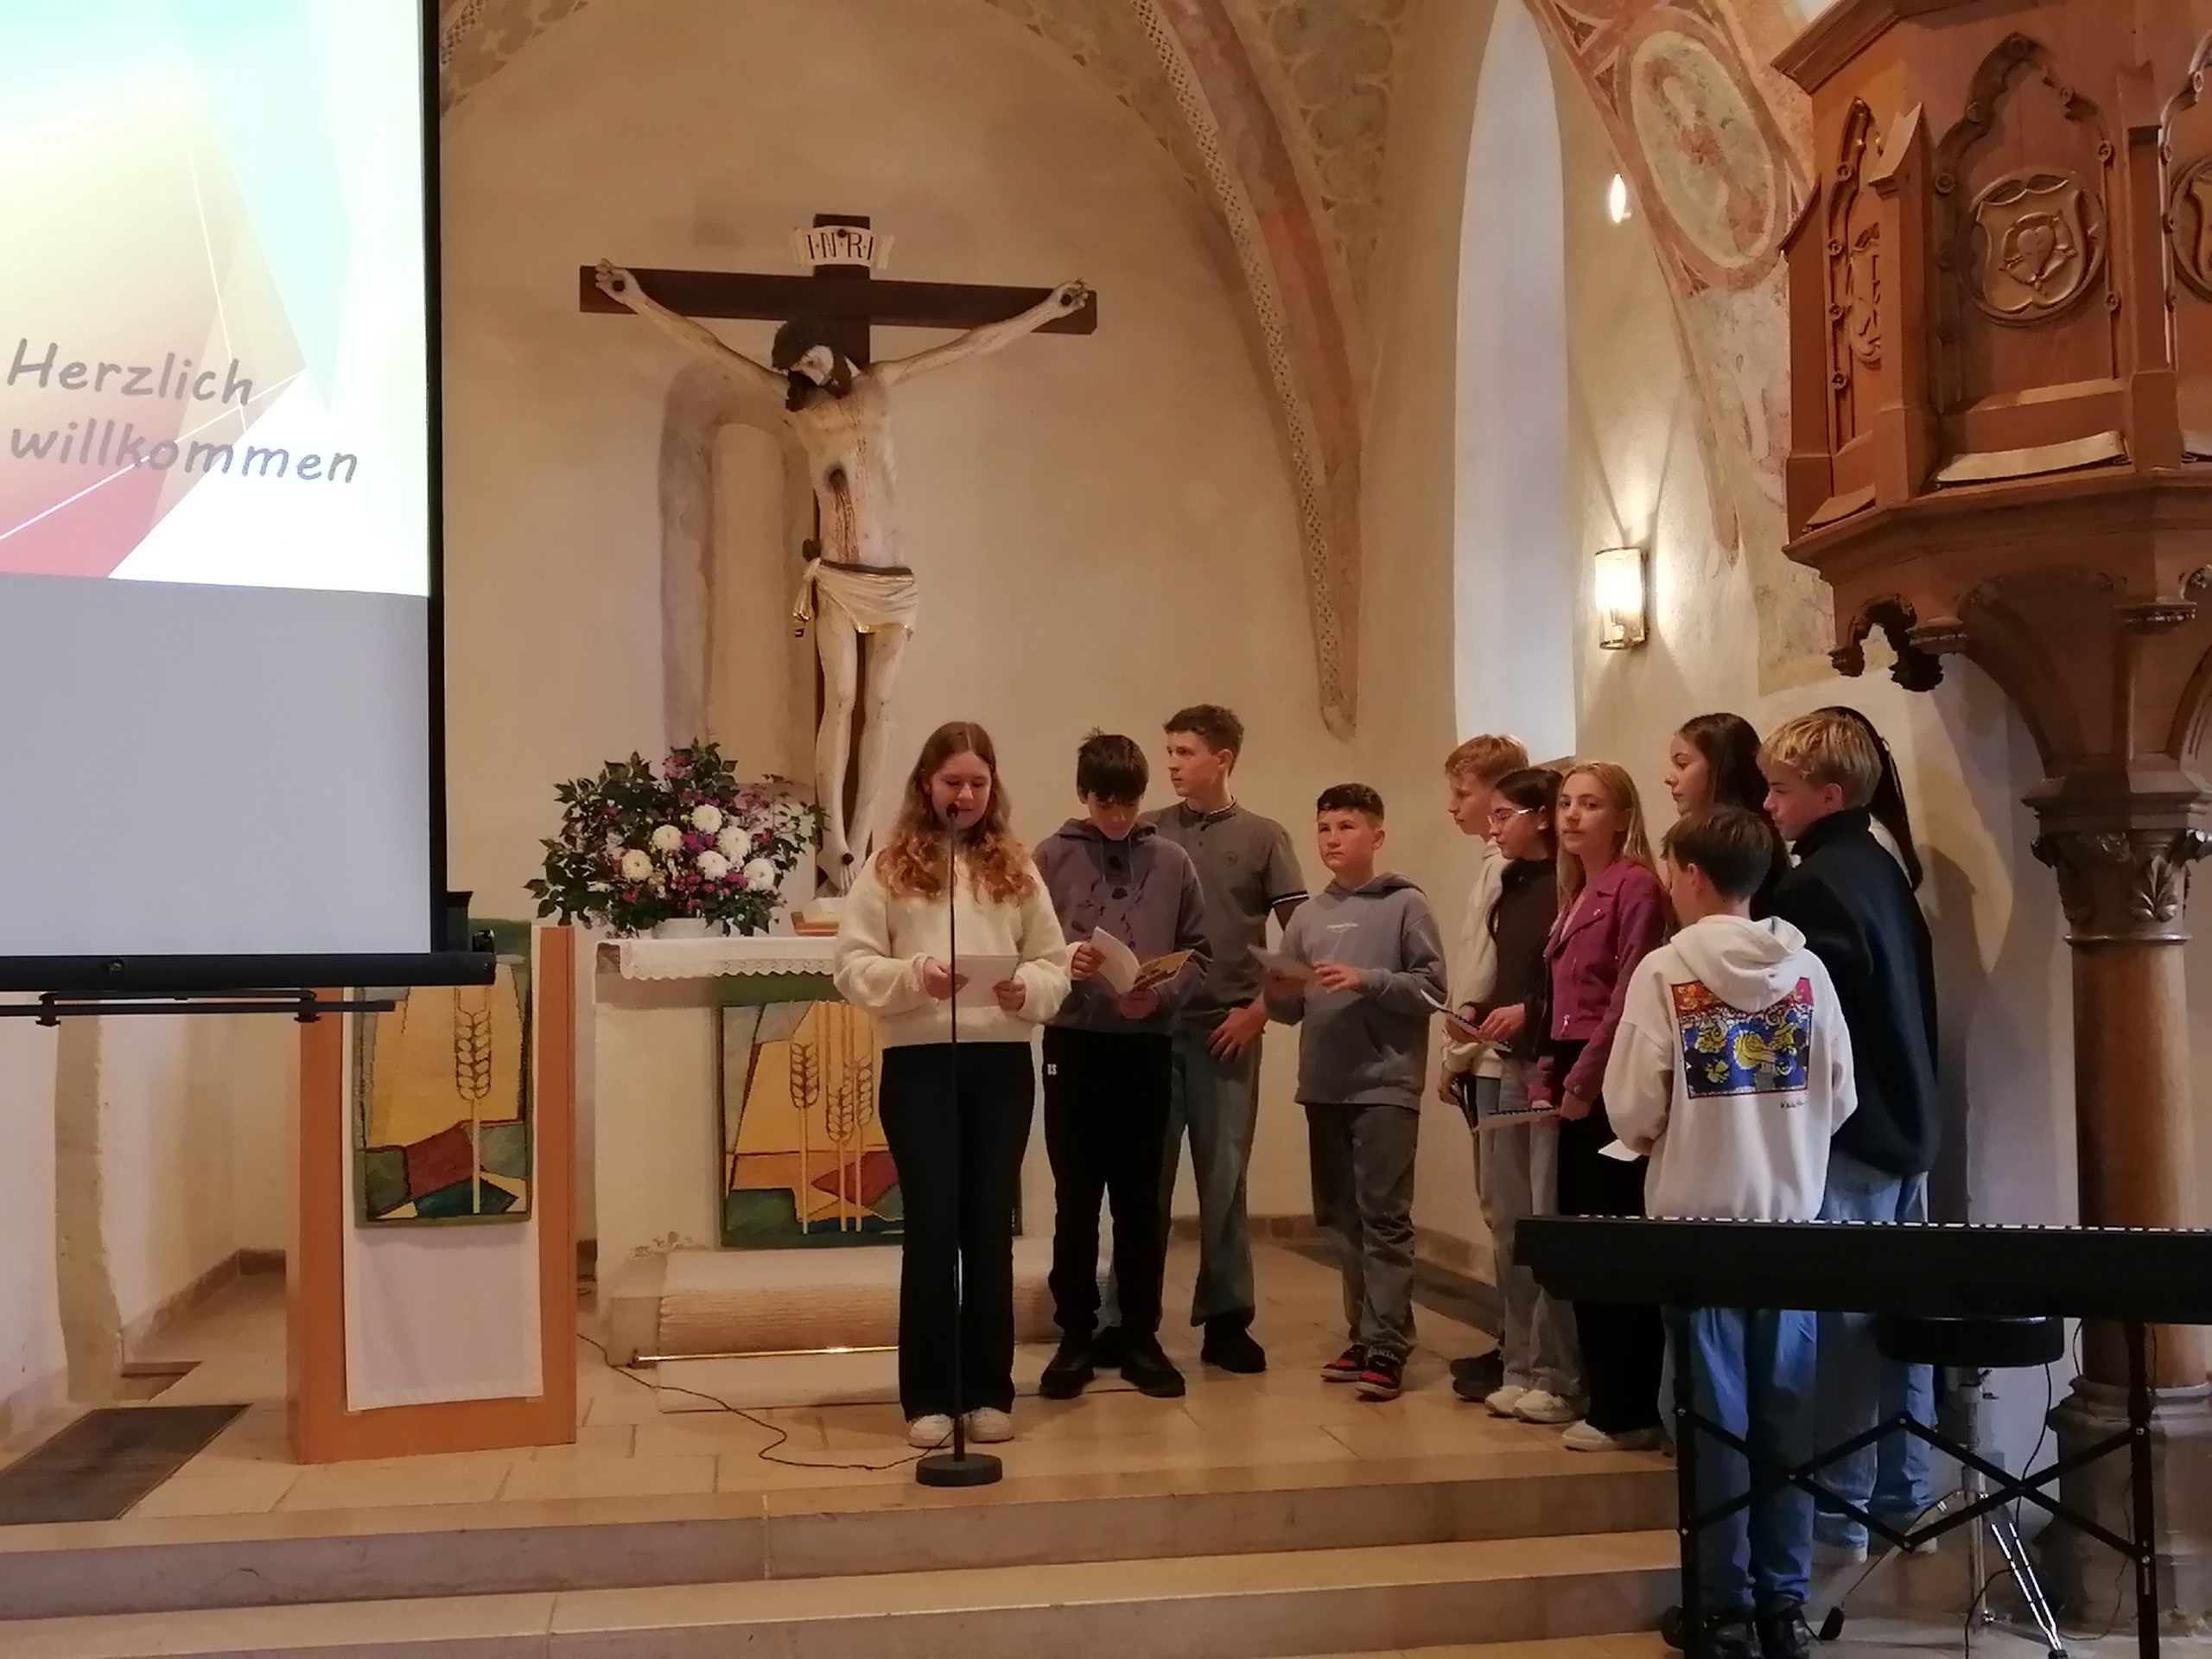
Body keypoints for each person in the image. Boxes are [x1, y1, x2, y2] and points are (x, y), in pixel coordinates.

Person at [1608, 808, 1858, 1659]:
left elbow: (1634, 1105)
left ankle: (1719, 1612)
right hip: (1789, 1227)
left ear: (1687, 873)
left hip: (1697, 1231)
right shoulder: (1807, 972)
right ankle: (1779, 1610)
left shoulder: (1664, 971)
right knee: (1784, 1417)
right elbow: (1840, 1095)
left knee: (1713, 1425)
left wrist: (1671, 1132)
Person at [833, 722, 1071, 1449]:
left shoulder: (1017, 866)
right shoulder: (887, 866)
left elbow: (1054, 961)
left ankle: (989, 1391)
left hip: (999, 1067)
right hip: (922, 1065)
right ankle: (929, 1397)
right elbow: (851, 963)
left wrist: (1024, 989)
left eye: (977, 783)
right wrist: (915, 976)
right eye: (952, 783)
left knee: (987, 1229)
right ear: (925, 786)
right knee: (934, 1230)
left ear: (992, 788)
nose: (965, 795)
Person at [1761, 709, 1941, 1562]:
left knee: (1839, 1334)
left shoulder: (1817, 882)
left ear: (1826, 794)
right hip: (1907, 1125)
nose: (1768, 805)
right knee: (1894, 1325)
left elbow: (1810, 1027)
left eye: (1781, 790)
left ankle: (1837, 1513)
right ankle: (1904, 1494)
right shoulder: (1879, 869)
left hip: (1852, 1137)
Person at [1098, 705, 1306, 1375]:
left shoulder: (1265, 837)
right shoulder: (1149, 830)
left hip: (1228, 1029)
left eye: (1185, 752)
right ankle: (1127, 1321)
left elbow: (1300, 941)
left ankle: (1227, 1320)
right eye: (1169, 751)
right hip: (1155, 1030)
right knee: (1141, 1183)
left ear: (1222, 759)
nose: (1172, 764)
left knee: (1224, 1181)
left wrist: (1260, 1012)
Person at [1032, 734, 1211, 1402]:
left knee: (1143, 1201)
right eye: (1106, 802)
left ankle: (1141, 1333)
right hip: (1075, 1045)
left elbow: (1200, 952)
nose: (1118, 816)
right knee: (1076, 1199)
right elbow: (1025, 947)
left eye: (1130, 802)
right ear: (1084, 793)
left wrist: (1159, 993)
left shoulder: (1171, 858)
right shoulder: (1049, 857)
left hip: (1146, 1045)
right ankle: (1075, 1336)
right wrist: (1064, 961)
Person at [1263, 785, 1447, 1402]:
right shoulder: (1310, 917)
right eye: (1323, 828)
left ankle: (1391, 1342)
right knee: (1341, 1221)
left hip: (1384, 1084)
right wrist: (1279, 994)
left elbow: (1431, 990)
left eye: (1346, 826)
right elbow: (1288, 1009)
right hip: (1324, 1085)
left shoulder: (1405, 905)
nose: (1332, 838)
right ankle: (1365, 1334)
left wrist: (1366, 980)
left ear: (1377, 835)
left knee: (1384, 1218)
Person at [1532, 761, 1672, 1452]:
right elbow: (1556, 1001)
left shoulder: (1635, 886)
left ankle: (1629, 1406)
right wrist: (1543, 1074)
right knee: (1580, 1242)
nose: (1572, 816)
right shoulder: (1577, 890)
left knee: (1612, 1241)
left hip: (1609, 1075)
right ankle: (1600, 1390)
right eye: (1565, 803)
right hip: (1572, 1069)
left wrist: (1584, 1080)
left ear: (1622, 816)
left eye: (1590, 804)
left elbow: (1627, 996)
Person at [1457, 766, 1580, 1425]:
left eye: (1505, 814)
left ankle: (1558, 1372)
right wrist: (1476, 1008)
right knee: (1506, 1222)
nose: (1494, 826)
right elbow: (1505, 971)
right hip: (1502, 1062)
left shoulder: (1567, 884)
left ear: (1539, 818)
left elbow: (1573, 982)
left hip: (1547, 1069)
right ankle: (1520, 1364)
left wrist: (1527, 1012)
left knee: (1543, 1220)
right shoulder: (1510, 882)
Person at [1433, 734, 1531, 1396]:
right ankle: (1515, 1342)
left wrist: (1458, 1049)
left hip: (1497, 1060)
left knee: (1510, 1212)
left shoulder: (1507, 870)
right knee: (1500, 1210)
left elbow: (1487, 972)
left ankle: (1523, 1351)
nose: (1453, 808)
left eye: (1463, 794)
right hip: (1483, 1054)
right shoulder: (1495, 866)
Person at [1663, 713, 1787, 912]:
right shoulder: (1687, 840)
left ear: (1721, 767)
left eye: (1683, 764)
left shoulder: (1748, 849)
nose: (1669, 778)